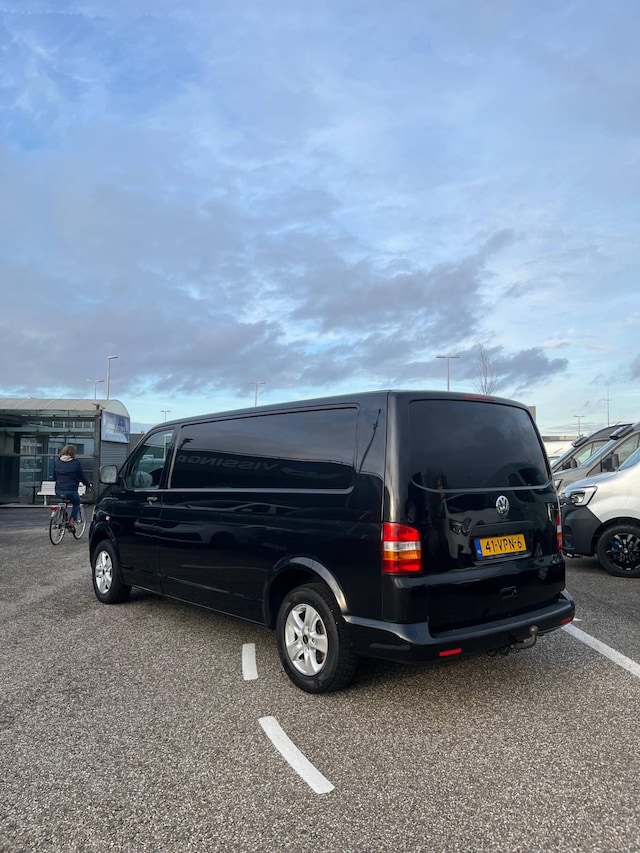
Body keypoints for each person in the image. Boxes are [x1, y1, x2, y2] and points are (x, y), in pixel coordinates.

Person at [53, 445, 91, 529]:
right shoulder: (76, 463)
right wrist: (87, 484)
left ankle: (62, 517)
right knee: (76, 503)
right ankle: (71, 521)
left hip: (58, 490)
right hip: (71, 490)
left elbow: (54, 477)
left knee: (64, 500)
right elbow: (81, 477)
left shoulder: (57, 462)